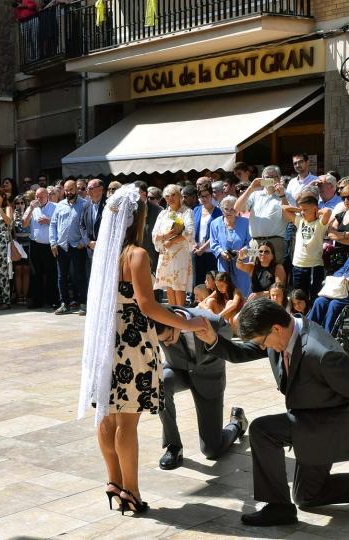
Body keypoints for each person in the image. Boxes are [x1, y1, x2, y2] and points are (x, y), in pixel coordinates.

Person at [193, 298, 349, 527]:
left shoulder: (322, 354)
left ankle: (278, 508)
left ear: (275, 329)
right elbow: (241, 352)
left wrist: (330, 422)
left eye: (263, 342)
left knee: (263, 430)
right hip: (306, 421)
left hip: (327, 426)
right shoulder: (282, 334)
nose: (263, 348)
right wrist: (213, 340)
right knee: (307, 496)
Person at [77, 184, 206, 516]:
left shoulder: (106, 255)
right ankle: (131, 491)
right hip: (131, 343)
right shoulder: (137, 255)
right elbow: (147, 306)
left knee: (106, 414)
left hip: (106, 338)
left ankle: (113, 482)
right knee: (127, 423)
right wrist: (186, 324)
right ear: (138, 219)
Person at [156, 307, 248, 470]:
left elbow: (228, 348)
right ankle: (173, 447)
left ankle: (237, 423)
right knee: (158, 384)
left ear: (176, 322)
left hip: (208, 376)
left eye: (169, 338)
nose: (168, 343)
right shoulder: (158, 321)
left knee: (212, 450)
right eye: (163, 342)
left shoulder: (214, 322)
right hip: (178, 370)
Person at [50, 179, 90, 314]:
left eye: (71, 190)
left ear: (76, 190)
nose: (68, 192)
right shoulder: (60, 205)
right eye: (66, 190)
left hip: (77, 246)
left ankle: (83, 303)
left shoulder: (85, 205)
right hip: (61, 246)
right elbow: (53, 225)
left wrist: (84, 242)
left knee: (79, 276)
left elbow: (87, 226)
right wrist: (53, 242)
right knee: (62, 277)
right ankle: (64, 303)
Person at [152, 184, 194, 307]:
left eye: (173, 195)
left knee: (179, 286)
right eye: (167, 196)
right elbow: (154, 235)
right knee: (169, 287)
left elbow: (189, 233)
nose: (170, 198)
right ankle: (172, 321)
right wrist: (165, 236)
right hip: (165, 255)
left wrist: (172, 241)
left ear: (180, 196)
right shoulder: (163, 214)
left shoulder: (187, 212)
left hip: (180, 254)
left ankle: (181, 319)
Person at [283, 193, 331, 300]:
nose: (302, 213)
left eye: (305, 210)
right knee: (299, 297)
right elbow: (284, 208)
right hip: (298, 265)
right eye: (301, 210)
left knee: (313, 296)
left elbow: (327, 212)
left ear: (314, 208)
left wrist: (316, 211)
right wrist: (300, 209)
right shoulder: (300, 221)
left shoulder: (320, 223)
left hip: (313, 266)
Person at [235, 167, 288, 262]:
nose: (269, 180)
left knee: (276, 272)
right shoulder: (255, 194)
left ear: (279, 179)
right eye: (266, 177)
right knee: (254, 273)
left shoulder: (286, 194)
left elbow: (289, 218)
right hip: (255, 243)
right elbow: (236, 209)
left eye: (272, 177)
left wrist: (282, 196)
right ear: (262, 179)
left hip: (276, 243)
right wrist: (250, 188)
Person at [208, 195, 250, 298]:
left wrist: (242, 251)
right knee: (225, 291)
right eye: (226, 209)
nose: (229, 211)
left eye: (232, 209)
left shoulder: (245, 223)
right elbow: (213, 243)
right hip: (223, 263)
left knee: (242, 292)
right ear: (222, 209)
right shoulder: (215, 223)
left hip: (241, 263)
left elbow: (250, 242)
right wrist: (221, 252)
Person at [23, 187, 57, 309]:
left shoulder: (54, 207)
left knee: (51, 273)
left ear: (47, 196)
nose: (39, 199)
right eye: (37, 196)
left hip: (49, 245)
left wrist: (49, 221)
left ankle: (52, 300)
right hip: (35, 244)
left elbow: (61, 223)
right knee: (35, 273)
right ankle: (37, 300)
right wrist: (31, 209)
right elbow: (24, 223)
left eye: (41, 196)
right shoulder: (32, 207)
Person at [191, 185, 221, 287]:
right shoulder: (196, 210)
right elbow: (192, 229)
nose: (204, 198)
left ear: (211, 196)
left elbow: (216, 234)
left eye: (206, 196)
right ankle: (197, 300)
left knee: (211, 280)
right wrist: (194, 244)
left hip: (211, 252)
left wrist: (203, 249)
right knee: (197, 279)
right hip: (196, 250)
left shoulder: (218, 212)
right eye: (201, 196)